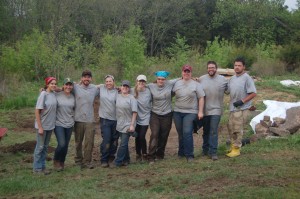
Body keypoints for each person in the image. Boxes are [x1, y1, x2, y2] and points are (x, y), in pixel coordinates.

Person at [173, 65, 205, 162]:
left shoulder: (196, 84)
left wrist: (200, 111)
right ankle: (181, 152)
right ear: (182, 72)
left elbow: (201, 98)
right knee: (180, 133)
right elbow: (169, 93)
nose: (186, 73)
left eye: (188, 72)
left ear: (191, 73)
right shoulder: (176, 83)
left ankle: (189, 154)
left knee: (187, 132)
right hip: (177, 112)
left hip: (190, 112)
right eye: (185, 71)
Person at [226, 57, 257, 158]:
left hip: (242, 108)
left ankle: (236, 149)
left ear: (244, 67)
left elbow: (253, 93)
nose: (237, 67)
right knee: (230, 128)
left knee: (238, 129)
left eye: (239, 65)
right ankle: (232, 146)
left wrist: (242, 101)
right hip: (232, 108)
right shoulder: (232, 78)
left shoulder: (247, 78)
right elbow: (227, 91)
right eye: (235, 65)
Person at [198, 61, 228, 161]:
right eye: (209, 68)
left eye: (213, 67)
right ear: (207, 69)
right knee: (206, 131)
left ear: (216, 68)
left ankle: (213, 151)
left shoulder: (223, 79)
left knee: (213, 131)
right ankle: (205, 149)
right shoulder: (201, 79)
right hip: (205, 110)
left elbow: (230, 91)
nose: (211, 69)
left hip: (216, 109)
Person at [147, 71, 178, 164]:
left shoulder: (170, 83)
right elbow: (139, 87)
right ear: (156, 79)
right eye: (159, 79)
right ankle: (151, 156)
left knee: (164, 135)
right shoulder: (151, 86)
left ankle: (160, 154)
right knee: (155, 134)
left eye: (163, 79)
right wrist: (121, 89)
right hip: (155, 114)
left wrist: (195, 79)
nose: (161, 81)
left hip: (167, 114)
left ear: (166, 79)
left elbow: (183, 78)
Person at [73, 70, 99, 169]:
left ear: (91, 79)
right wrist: (45, 89)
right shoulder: (75, 87)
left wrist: (118, 88)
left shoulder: (95, 89)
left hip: (90, 120)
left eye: (88, 77)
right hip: (78, 119)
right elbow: (63, 88)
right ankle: (78, 160)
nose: (86, 78)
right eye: (84, 77)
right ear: (81, 78)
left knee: (89, 142)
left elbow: (105, 87)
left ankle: (87, 161)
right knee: (78, 141)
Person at [33, 77, 57, 175]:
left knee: (45, 147)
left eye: (55, 83)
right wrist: (40, 127)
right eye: (51, 83)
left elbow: (61, 89)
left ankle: (43, 167)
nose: (53, 85)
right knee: (40, 147)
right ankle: (37, 168)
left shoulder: (54, 94)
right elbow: (37, 111)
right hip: (42, 126)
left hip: (50, 126)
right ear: (47, 84)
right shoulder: (43, 94)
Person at [53, 78, 75, 171]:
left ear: (72, 86)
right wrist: (43, 89)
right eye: (66, 84)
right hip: (59, 124)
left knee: (66, 145)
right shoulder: (57, 95)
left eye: (70, 85)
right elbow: (48, 91)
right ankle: (56, 160)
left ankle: (62, 161)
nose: (68, 87)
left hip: (69, 124)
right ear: (63, 85)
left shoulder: (73, 96)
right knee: (61, 144)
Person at [114, 80, 137, 167]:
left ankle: (118, 162)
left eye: (127, 87)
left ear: (129, 88)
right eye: (123, 86)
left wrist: (132, 125)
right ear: (121, 87)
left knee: (123, 144)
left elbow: (134, 112)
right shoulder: (118, 96)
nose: (125, 88)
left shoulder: (132, 98)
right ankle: (126, 159)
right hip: (119, 123)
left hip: (128, 124)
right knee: (124, 143)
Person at [98, 75, 119, 168]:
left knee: (114, 140)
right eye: (106, 81)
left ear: (113, 82)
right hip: (105, 119)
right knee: (107, 139)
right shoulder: (101, 89)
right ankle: (104, 159)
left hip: (116, 119)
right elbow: (90, 87)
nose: (108, 83)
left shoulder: (118, 91)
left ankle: (111, 157)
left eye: (110, 81)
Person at [133, 75, 152, 162]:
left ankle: (144, 154)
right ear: (136, 81)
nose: (141, 83)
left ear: (145, 82)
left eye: (143, 81)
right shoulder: (132, 90)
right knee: (137, 136)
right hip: (136, 118)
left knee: (141, 136)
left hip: (145, 117)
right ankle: (138, 154)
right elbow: (122, 89)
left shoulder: (149, 91)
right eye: (140, 81)